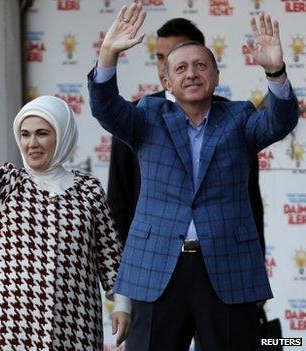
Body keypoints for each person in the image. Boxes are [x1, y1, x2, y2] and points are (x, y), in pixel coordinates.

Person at [88, 3, 298, 350]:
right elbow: (106, 107)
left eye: (201, 66)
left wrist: (275, 72)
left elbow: (280, 121)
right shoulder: (148, 117)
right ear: (166, 80)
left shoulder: (239, 118)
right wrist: (108, 55)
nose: (191, 73)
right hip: (159, 268)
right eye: (181, 68)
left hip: (226, 266)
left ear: (216, 76)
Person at [0, 87, 131, 350]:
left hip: (73, 328)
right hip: (8, 332)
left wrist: (122, 307)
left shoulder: (88, 190)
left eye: (42, 133)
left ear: (63, 135)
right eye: (25, 134)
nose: (32, 143)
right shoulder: (6, 182)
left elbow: (111, 260)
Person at [107, 18, 265, 255]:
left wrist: (255, 256)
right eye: (160, 57)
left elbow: (249, 195)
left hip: (223, 261)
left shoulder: (236, 118)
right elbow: (119, 197)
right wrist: (120, 268)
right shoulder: (135, 116)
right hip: (151, 264)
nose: (164, 66)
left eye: (175, 54)